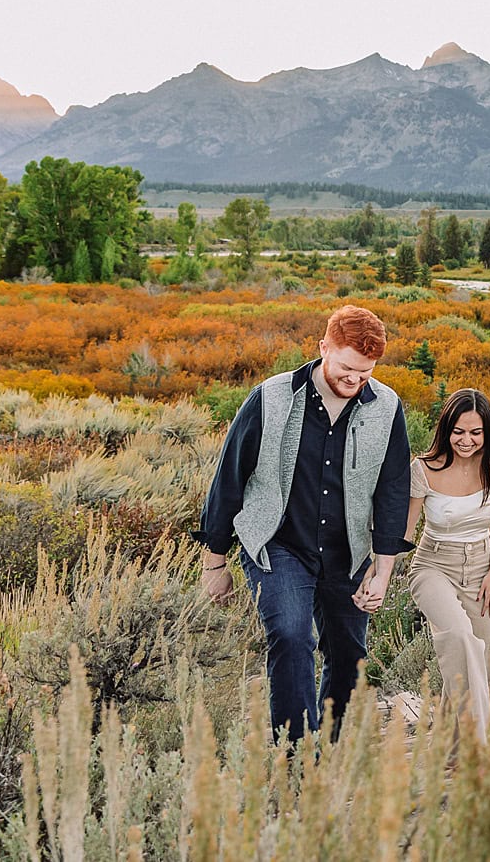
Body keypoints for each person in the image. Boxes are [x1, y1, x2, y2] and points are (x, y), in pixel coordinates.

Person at [194, 305, 413, 742]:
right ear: (323, 348)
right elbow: (229, 478)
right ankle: (297, 759)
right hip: (278, 544)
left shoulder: (386, 408)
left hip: (346, 550)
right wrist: (213, 564)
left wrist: (383, 570)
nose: (355, 380)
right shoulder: (271, 398)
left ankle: (331, 747)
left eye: (366, 373)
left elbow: (393, 490)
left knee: (349, 655)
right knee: (293, 637)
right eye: (347, 368)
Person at [406, 388, 490, 742]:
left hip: (482, 567)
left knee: (484, 655)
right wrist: (379, 569)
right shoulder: (423, 470)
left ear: (487, 432)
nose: (467, 441)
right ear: (446, 429)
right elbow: (406, 531)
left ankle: (450, 750)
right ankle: (479, 746)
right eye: (459, 432)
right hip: (433, 564)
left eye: (476, 432)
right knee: (461, 639)